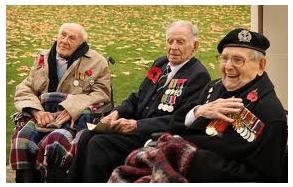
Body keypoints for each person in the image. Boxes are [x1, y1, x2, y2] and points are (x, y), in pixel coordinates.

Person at [108, 28, 287, 182]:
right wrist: (199, 111)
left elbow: (263, 178)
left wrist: (192, 158)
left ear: (261, 65)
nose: (228, 66)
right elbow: (178, 123)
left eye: (238, 60)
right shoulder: (213, 88)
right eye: (224, 58)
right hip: (172, 161)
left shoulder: (269, 113)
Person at [67, 20, 211, 182]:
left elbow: (180, 119)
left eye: (180, 42)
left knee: (99, 143)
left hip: (155, 137)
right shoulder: (161, 64)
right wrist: (116, 112)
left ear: (195, 46)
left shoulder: (198, 75)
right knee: (87, 135)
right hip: (133, 128)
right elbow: (138, 97)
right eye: (170, 41)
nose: (173, 47)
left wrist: (137, 125)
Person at [10, 23, 111, 182]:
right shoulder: (43, 57)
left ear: (81, 43)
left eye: (72, 38)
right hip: (41, 115)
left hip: (73, 120)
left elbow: (102, 94)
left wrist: (72, 107)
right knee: (23, 139)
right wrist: (36, 111)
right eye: (62, 35)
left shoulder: (97, 62)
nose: (64, 41)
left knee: (57, 141)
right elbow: (26, 87)